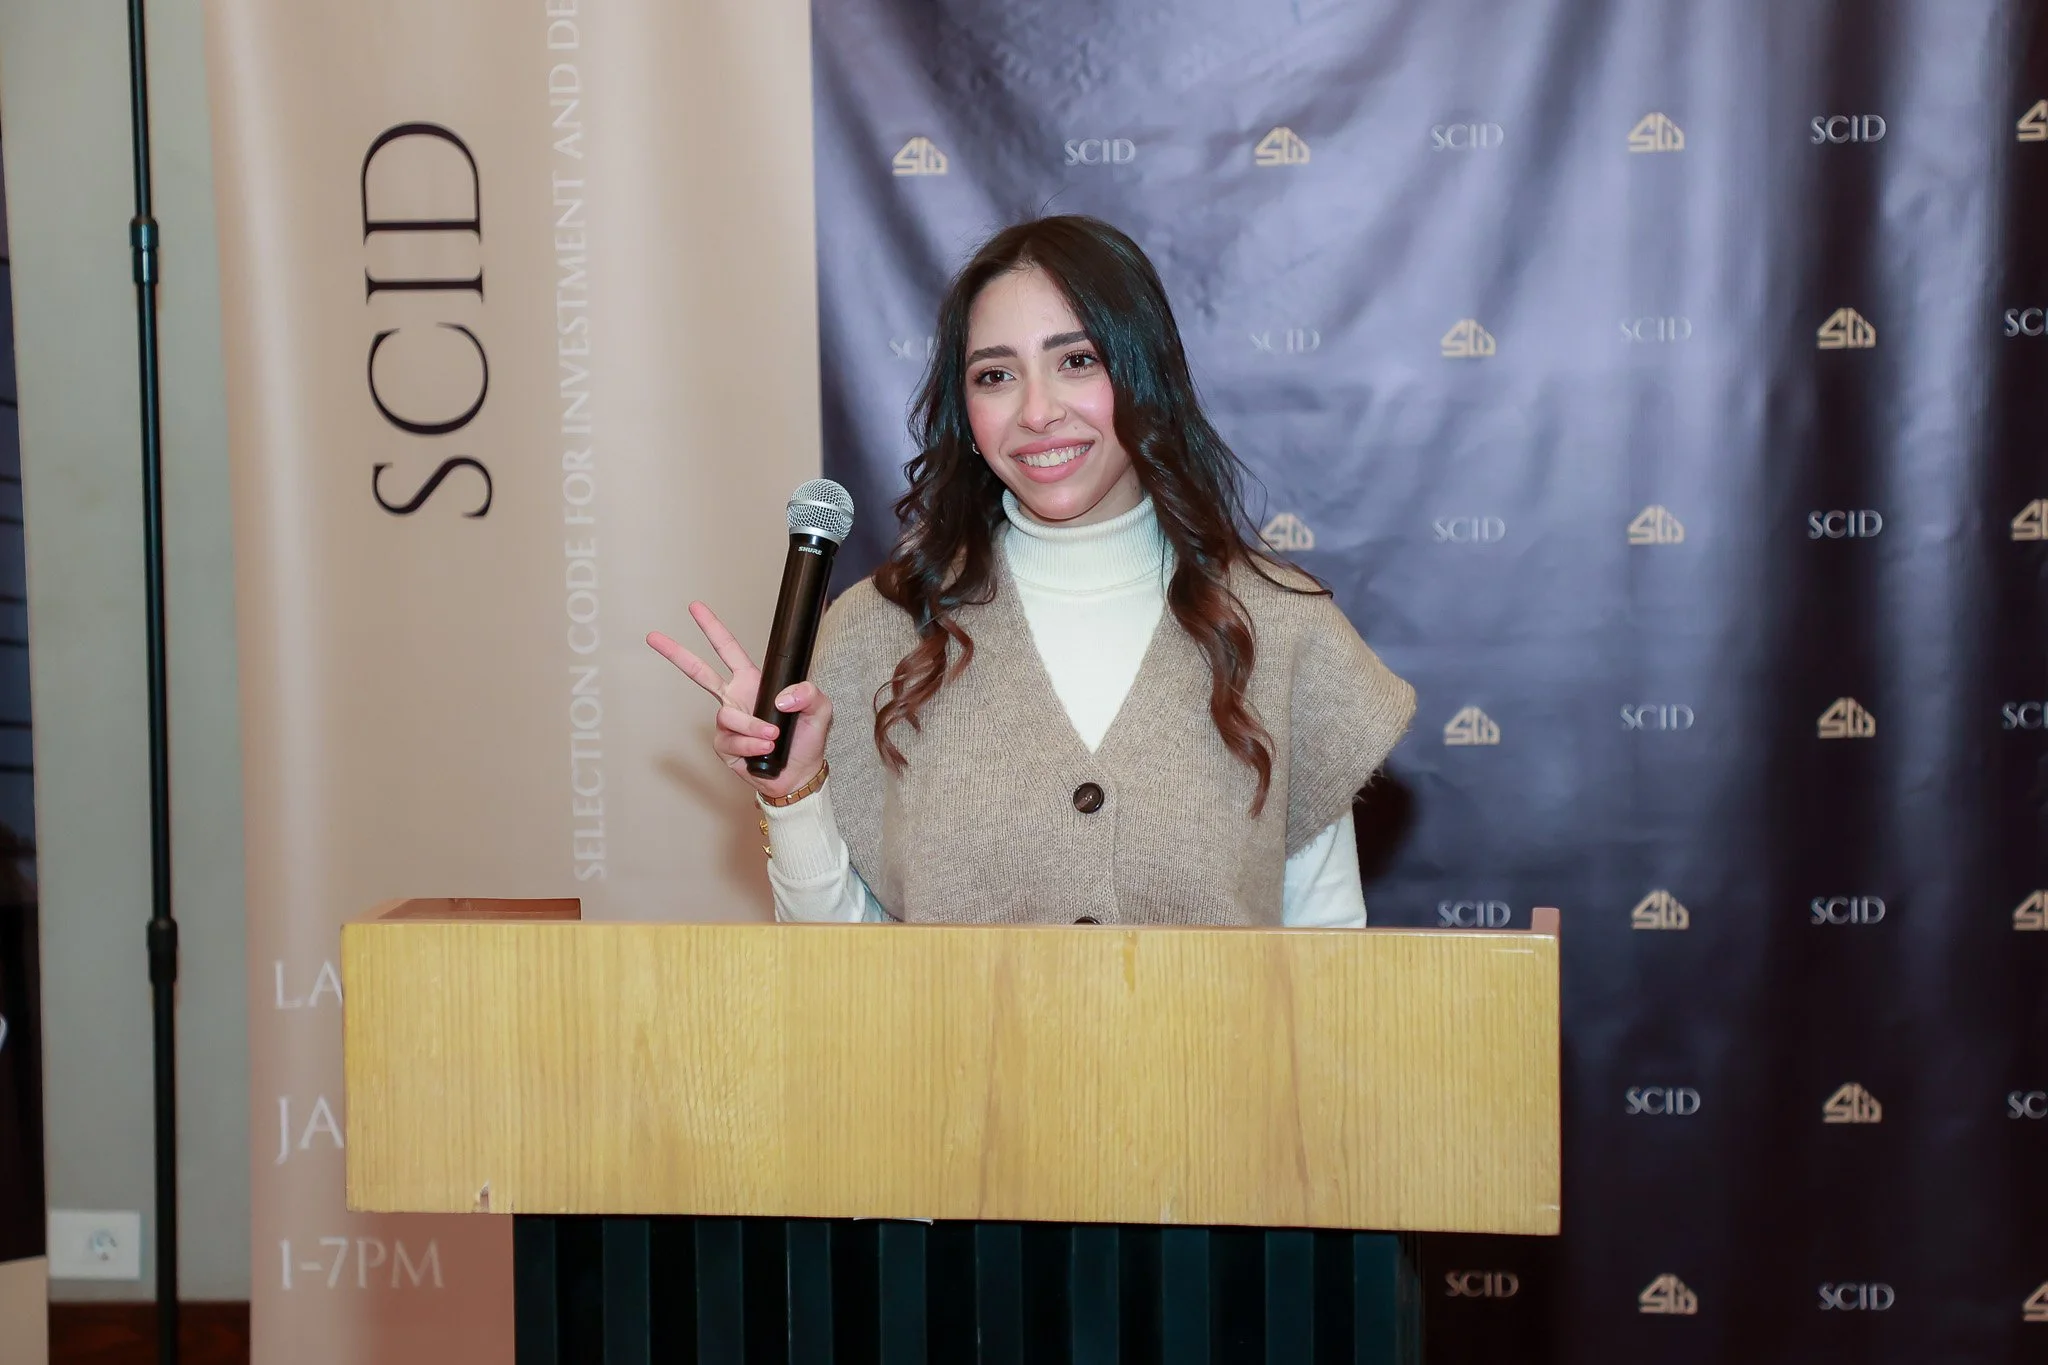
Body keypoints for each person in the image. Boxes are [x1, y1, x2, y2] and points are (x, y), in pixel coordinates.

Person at [650, 215, 1415, 926]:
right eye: (995, 375)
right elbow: (845, 969)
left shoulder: (1282, 625)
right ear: (967, 413)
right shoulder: (873, 630)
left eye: (1076, 361)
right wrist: (792, 793)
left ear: (1145, 376)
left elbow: (1327, 953)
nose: (1037, 411)